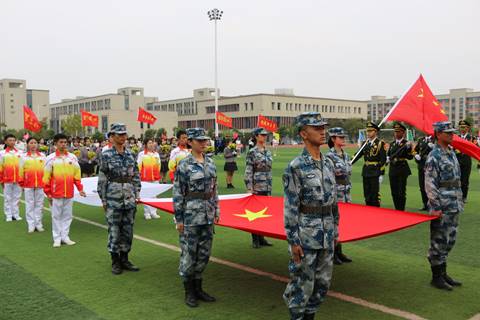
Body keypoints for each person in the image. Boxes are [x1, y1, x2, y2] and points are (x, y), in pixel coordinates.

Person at [283, 112, 336, 320]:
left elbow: (334, 202)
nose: (323, 131)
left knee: (322, 284)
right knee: (301, 285)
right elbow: (291, 206)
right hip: (306, 235)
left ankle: (310, 316)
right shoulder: (295, 167)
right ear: (304, 134)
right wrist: (293, 240)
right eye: (317, 128)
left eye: (324, 127)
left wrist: (336, 230)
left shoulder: (329, 163)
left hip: (327, 233)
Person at [173, 128, 219, 308]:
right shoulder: (184, 165)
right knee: (189, 255)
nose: (203, 143)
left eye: (205, 140)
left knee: (204, 254)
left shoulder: (211, 163)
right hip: (191, 216)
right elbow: (178, 194)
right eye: (199, 140)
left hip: (207, 215)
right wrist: (179, 219)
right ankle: (189, 291)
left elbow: (215, 190)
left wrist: (216, 210)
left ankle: (199, 288)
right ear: (190, 142)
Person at [98, 123, 141, 275]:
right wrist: (103, 199)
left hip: (129, 197)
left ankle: (125, 258)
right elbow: (102, 178)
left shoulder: (130, 154)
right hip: (113, 197)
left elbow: (135, 175)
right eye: (119, 134)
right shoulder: (106, 155)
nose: (123, 137)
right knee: (114, 230)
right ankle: (115, 260)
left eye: (124, 134)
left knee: (128, 230)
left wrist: (137, 192)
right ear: (112, 136)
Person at [425, 121, 463, 290]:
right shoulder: (434, 155)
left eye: (452, 132)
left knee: (450, 239)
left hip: (454, 202)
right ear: (438, 134)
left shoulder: (451, 153)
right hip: (442, 204)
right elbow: (430, 183)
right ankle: (436, 276)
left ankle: (443, 272)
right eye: (447, 132)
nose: (451, 135)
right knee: (439, 240)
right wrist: (435, 206)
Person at [43, 133, 86, 247]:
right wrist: (48, 193)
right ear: (55, 143)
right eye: (61, 142)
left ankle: (65, 237)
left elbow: (76, 174)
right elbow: (46, 177)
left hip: (69, 192)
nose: (63, 144)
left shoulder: (72, 157)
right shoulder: (50, 158)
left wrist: (80, 188)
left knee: (67, 215)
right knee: (56, 215)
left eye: (65, 142)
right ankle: (57, 238)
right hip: (56, 192)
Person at [326, 127, 353, 265]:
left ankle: (340, 251)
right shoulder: (329, 157)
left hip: (346, 194)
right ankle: (332, 252)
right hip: (336, 194)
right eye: (340, 137)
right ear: (333, 139)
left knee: (342, 224)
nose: (343, 139)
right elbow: (329, 179)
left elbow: (348, 175)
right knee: (333, 224)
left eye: (343, 137)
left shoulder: (346, 155)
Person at [244, 127, 273, 248]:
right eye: (262, 135)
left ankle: (262, 238)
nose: (264, 136)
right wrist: (249, 187)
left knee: (264, 213)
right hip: (257, 186)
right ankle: (255, 239)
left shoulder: (268, 151)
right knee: (254, 214)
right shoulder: (252, 152)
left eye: (265, 135)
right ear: (256, 136)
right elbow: (248, 170)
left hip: (267, 186)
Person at [352, 122, 387, 207]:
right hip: (366, 171)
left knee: (374, 196)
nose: (368, 133)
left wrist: (381, 174)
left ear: (375, 132)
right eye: (367, 131)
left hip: (375, 172)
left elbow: (383, 160)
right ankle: (369, 212)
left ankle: (376, 213)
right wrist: (350, 162)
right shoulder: (365, 143)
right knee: (367, 194)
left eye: (370, 131)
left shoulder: (380, 143)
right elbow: (358, 155)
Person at [19, 137, 47, 233]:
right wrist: (22, 184)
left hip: (40, 184)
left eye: (35, 143)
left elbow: (46, 170)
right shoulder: (23, 157)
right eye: (31, 143)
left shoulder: (42, 156)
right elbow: (20, 172)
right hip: (28, 185)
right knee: (30, 205)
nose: (33, 145)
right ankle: (31, 225)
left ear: (38, 144)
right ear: (27, 144)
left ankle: (38, 224)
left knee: (39, 205)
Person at [386, 123, 414, 211]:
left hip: (402, 169)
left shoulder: (406, 143)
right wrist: (387, 158)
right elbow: (389, 155)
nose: (396, 134)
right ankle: (396, 209)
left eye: (398, 132)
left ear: (403, 133)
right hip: (393, 169)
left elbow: (410, 157)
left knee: (401, 192)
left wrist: (409, 148)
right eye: (395, 132)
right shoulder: (392, 144)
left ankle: (401, 209)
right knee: (394, 191)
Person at [0, 134, 23, 222]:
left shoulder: (20, 153)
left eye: (13, 140)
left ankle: (16, 214)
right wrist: (1, 180)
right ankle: (9, 215)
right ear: (5, 141)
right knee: (8, 197)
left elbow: (22, 166)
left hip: (18, 179)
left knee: (17, 197)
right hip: (7, 179)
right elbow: (0, 168)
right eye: (10, 140)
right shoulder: (2, 153)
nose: (12, 142)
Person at [137, 137, 161, 220]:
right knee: (146, 195)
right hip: (145, 178)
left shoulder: (156, 154)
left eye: (152, 143)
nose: (152, 144)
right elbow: (139, 166)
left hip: (155, 178)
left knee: (154, 195)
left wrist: (157, 175)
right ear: (145, 145)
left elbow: (159, 166)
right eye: (150, 143)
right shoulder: (142, 154)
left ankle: (154, 212)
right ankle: (147, 213)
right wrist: (139, 176)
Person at [455, 120, 477, 202]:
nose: (462, 129)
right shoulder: (456, 137)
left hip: (466, 161)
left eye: (464, 127)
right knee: (457, 179)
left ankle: (464, 196)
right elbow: (452, 146)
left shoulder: (471, 138)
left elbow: (475, 148)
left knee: (465, 180)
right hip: (457, 160)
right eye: (461, 127)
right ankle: (457, 196)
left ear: (468, 128)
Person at [413, 135, 434, 210]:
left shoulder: (435, 139)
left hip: (431, 166)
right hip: (421, 165)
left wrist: (434, 147)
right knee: (422, 186)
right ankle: (425, 204)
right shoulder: (421, 139)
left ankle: (432, 204)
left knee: (431, 187)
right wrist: (416, 155)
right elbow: (415, 150)